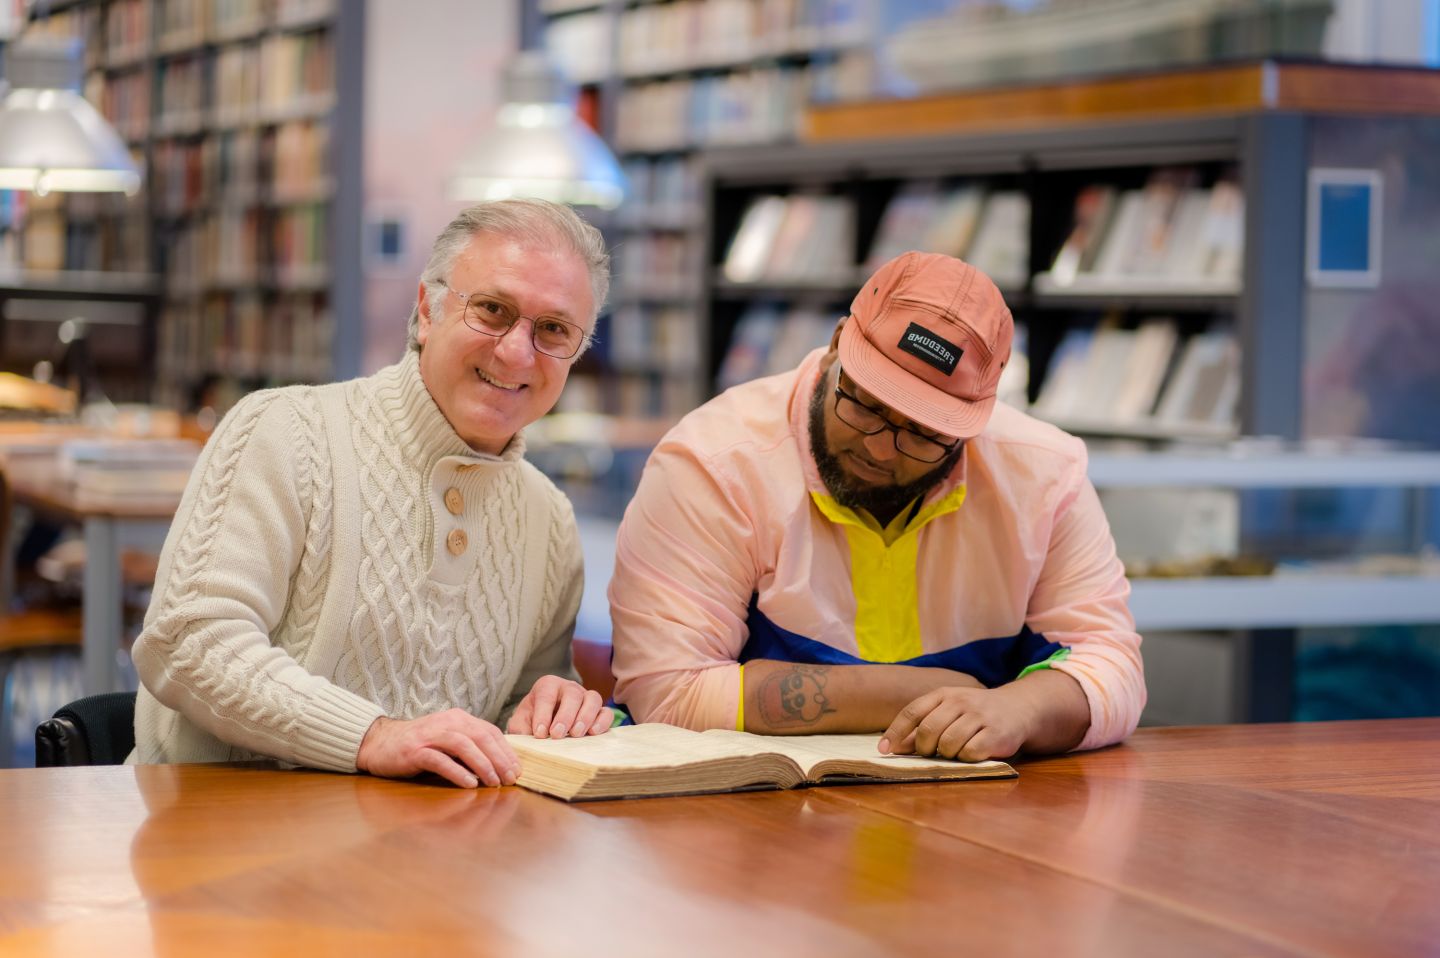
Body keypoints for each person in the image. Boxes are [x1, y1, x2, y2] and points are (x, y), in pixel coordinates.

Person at [129, 199, 614, 787]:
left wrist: (549, 711)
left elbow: (509, 723)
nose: (516, 351)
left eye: (554, 330)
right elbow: (187, 640)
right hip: (216, 841)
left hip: (429, 860)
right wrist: (372, 736)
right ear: (427, 310)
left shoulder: (550, 521)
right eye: (492, 310)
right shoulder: (284, 433)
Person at [609, 251, 1144, 761]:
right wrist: (937, 692)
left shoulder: (1045, 475)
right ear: (838, 344)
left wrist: (1018, 710)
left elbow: (1113, 664)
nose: (879, 448)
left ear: (979, 416)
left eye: (925, 433)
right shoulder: (714, 463)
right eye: (866, 404)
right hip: (750, 827)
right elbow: (666, 690)